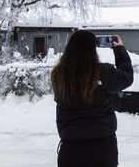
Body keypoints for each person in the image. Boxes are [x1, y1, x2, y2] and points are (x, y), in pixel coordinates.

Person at [51, 30, 133, 167]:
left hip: (70, 147)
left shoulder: (59, 75)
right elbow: (127, 77)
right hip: (102, 147)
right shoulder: (102, 72)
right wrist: (119, 50)